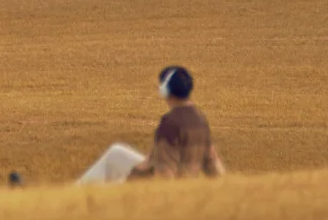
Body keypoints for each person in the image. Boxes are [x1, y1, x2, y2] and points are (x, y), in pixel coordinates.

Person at [76, 65, 225, 184]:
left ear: (166, 90)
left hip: (156, 192)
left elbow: (165, 175)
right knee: (116, 152)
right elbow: (213, 164)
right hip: (180, 186)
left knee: (104, 188)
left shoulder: (170, 123)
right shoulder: (199, 119)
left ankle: (70, 201)